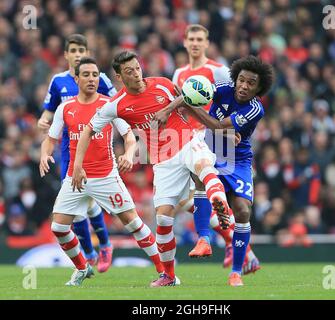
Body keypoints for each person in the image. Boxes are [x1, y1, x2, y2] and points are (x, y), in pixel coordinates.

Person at [72, 51, 231, 287]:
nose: (136, 74)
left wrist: (168, 109)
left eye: (137, 68)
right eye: (129, 71)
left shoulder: (163, 84)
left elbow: (186, 96)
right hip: (162, 161)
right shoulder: (116, 105)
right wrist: (77, 165)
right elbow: (87, 130)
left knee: (203, 165)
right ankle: (169, 275)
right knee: (163, 219)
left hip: (187, 140)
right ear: (119, 76)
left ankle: (219, 199)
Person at [40, 57, 164, 286]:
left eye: (95, 75)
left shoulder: (109, 105)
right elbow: (50, 139)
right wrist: (45, 154)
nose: (92, 79)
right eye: (86, 74)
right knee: (58, 227)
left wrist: (128, 154)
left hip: (106, 176)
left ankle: (165, 271)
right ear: (76, 79)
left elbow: (129, 137)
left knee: (134, 223)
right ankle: (82, 267)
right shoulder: (65, 108)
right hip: (74, 178)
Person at [155, 55, 274, 286]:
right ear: (235, 78)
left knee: (242, 211)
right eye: (241, 80)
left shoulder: (254, 109)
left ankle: (236, 271)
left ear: (259, 88)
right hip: (209, 148)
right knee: (201, 178)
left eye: (251, 84)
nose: (243, 86)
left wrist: (189, 105)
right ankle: (204, 239)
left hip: (237, 158)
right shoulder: (222, 88)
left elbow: (217, 125)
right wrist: (167, 110)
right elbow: (188, 95)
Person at [172, 24, 260, 273]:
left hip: (214, 142)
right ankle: (235, 243)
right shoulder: (179, 73)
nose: (195, 43)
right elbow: (179, 101)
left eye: (200, 38)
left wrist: (230, 132)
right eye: (191, 39)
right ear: (185, 42)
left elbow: (235, 101)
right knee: (185, 199)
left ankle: (230, 244)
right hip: (187, 140)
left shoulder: (219, 71)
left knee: (196, 195)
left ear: (207, 42)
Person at [37, 34, 117, 272]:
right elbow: (49, 111)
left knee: (90, 201)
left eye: (81, 49)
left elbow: (116, 105)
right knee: (78, 203)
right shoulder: (58, 81)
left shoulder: (98, 78)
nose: (77, 54)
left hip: (98, 145)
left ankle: (102, 245)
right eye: (73, 50)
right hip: (69, 148)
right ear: (66, 54)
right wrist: (43, 119)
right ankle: (92, 251)